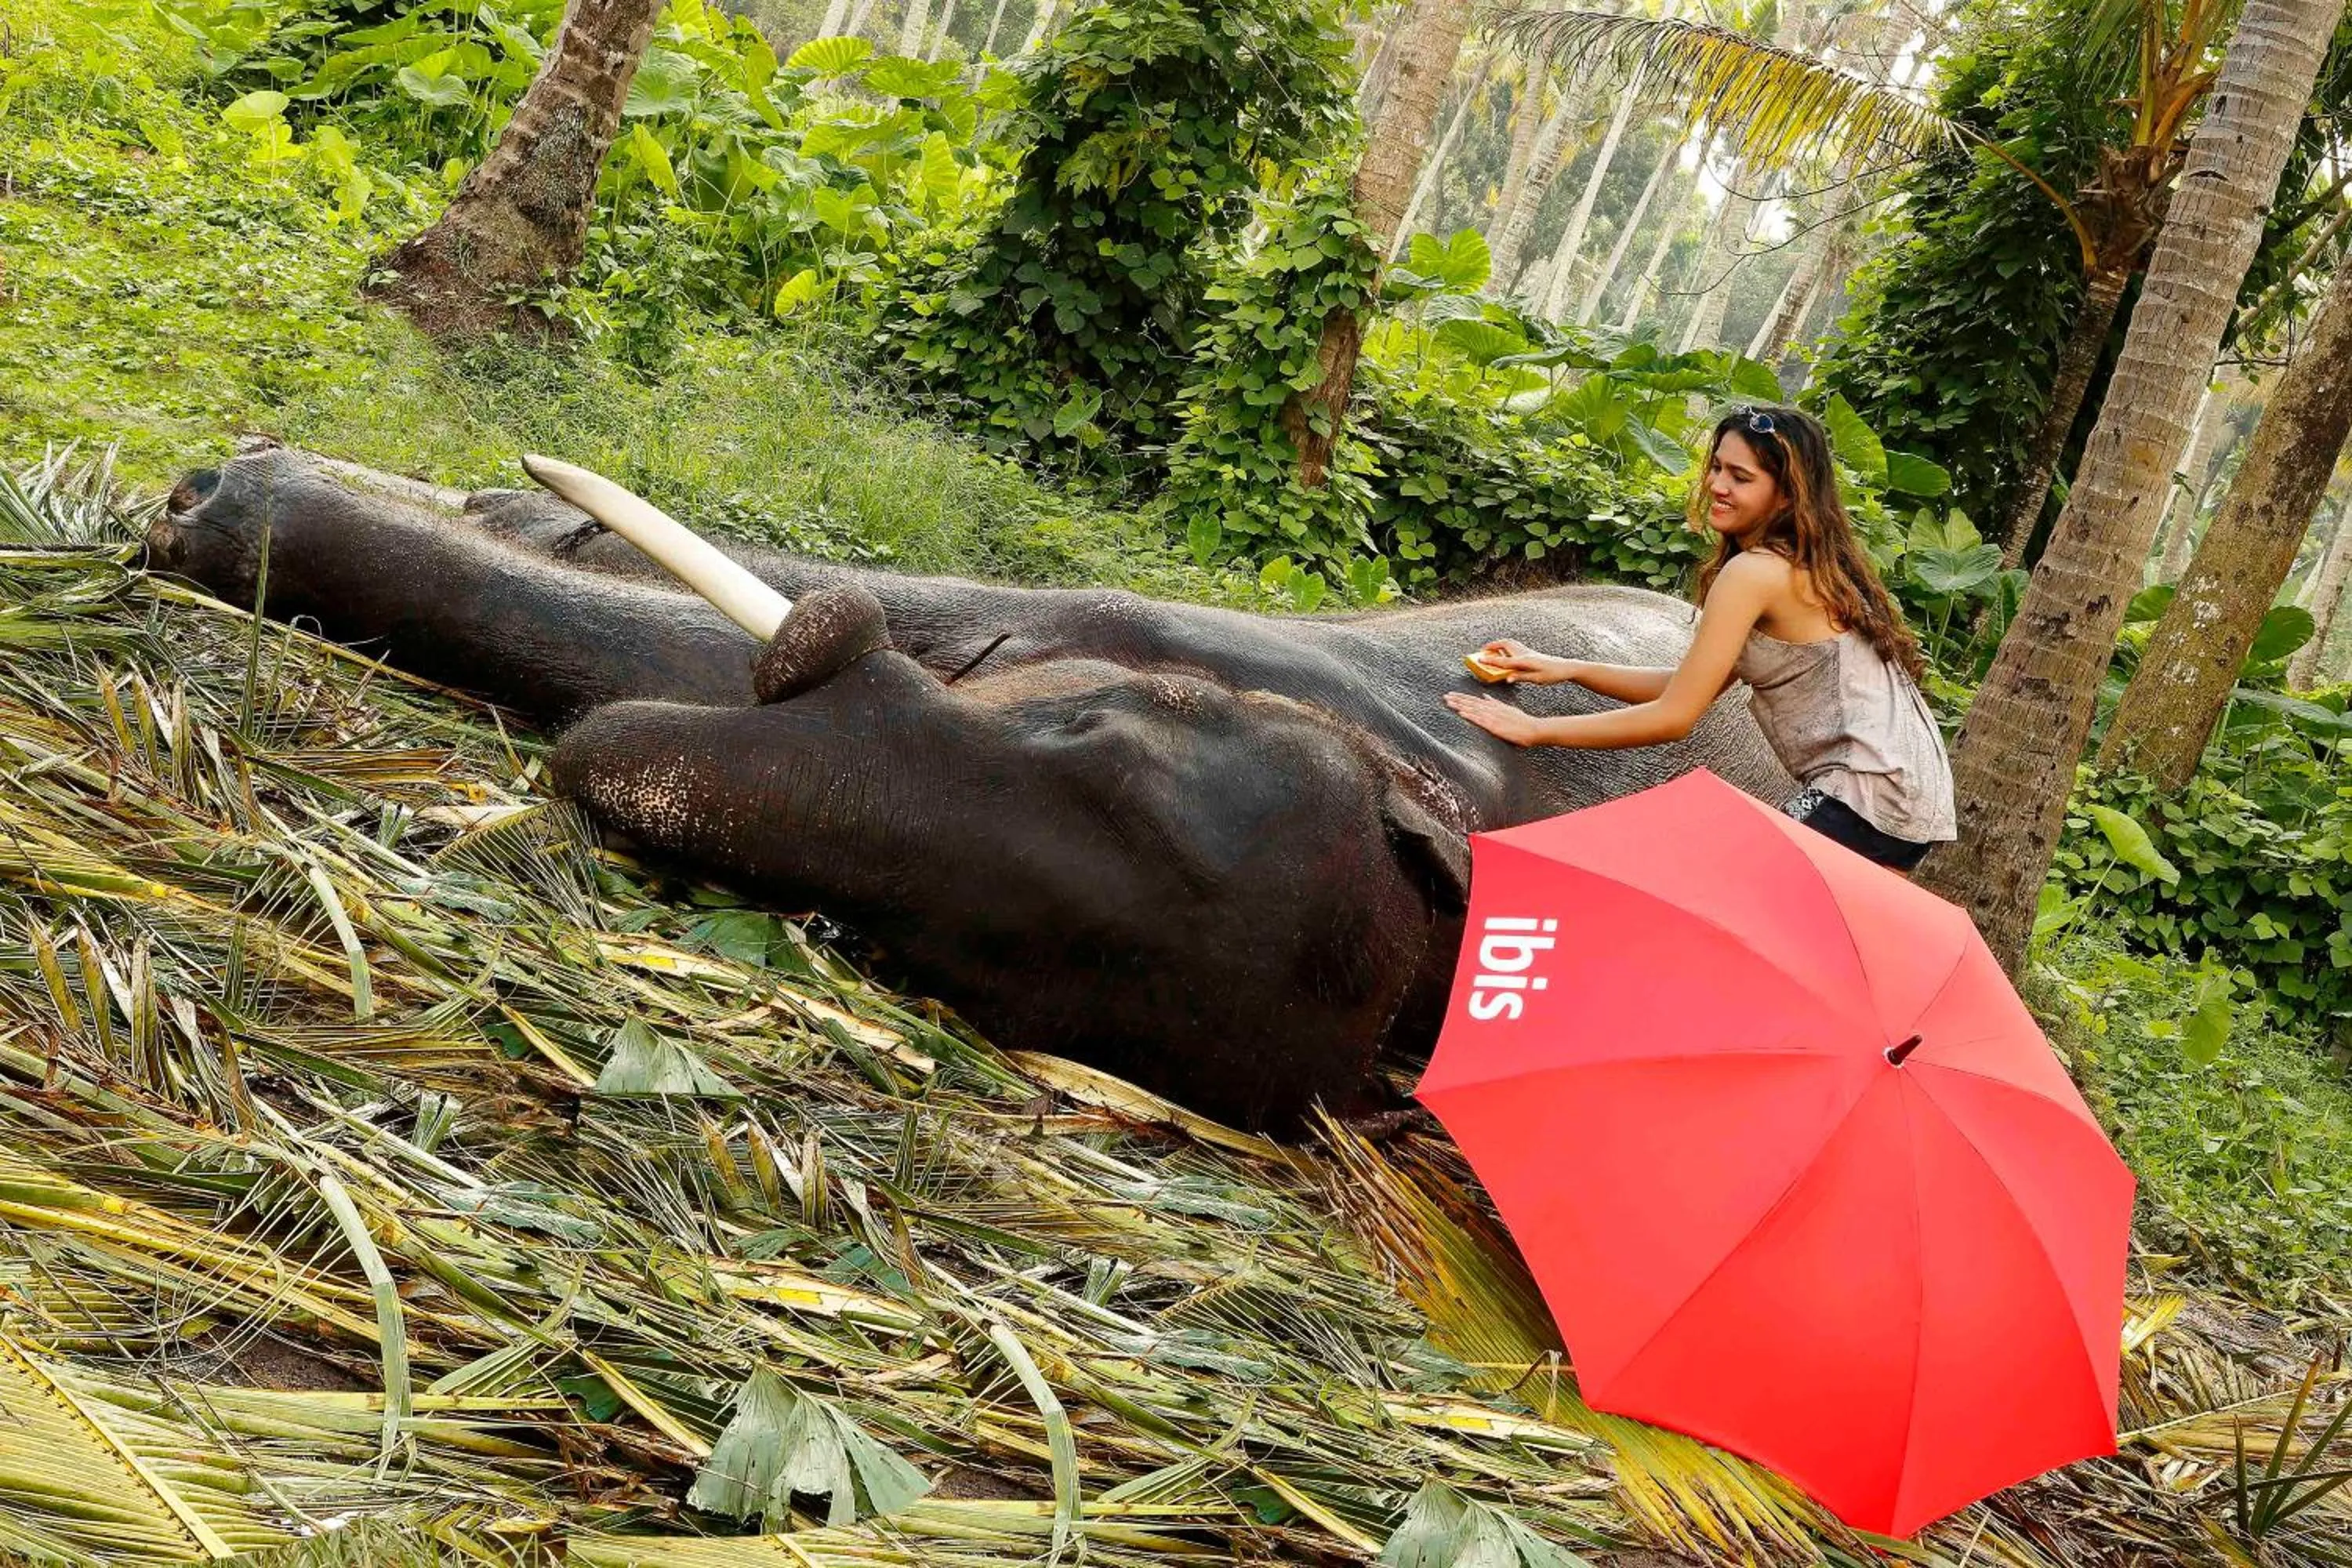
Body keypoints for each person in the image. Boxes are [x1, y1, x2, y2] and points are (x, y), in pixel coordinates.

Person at [1445, 404, 1956, 873]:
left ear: (1785, 494)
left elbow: (1674, 717)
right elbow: (1689, 686)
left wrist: (1537, 730)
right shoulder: (1800, 564)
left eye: (1740, 477)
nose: (1718, 485)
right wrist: (1565, 667)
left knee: (1699, 883)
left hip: (1862, 800)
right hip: (1909, 805)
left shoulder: (1758, 572)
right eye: (1716, 467)